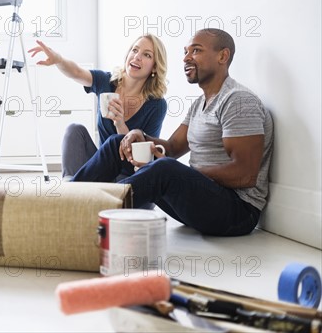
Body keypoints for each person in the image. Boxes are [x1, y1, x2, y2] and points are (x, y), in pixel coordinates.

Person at [72, 28, 274, 237]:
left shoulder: (239, 101)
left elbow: (245, 175)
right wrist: (141, 135)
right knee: (119, 142)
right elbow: (172, 148)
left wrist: (182, 172)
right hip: (201, 200)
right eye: (186, 52)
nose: (186, 58)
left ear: (223, 56)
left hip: (236, 213)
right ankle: (67, 199)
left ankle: (82, 213)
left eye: (196, 51)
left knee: (164, 168)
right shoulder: (200, 104)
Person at [28, 35, 168, 180]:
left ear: (155, 67)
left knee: (128, 191)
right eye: (135, 50)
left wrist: (120, 123)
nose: (137, 56)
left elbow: (144, 157)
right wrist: (59, 60)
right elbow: (77, 72)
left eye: (147, 55)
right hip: (100, 167)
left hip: (129, 174)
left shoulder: (156, 105)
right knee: (74, 130)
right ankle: (69, 187)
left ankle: (81, 191)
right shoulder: (107, 81)